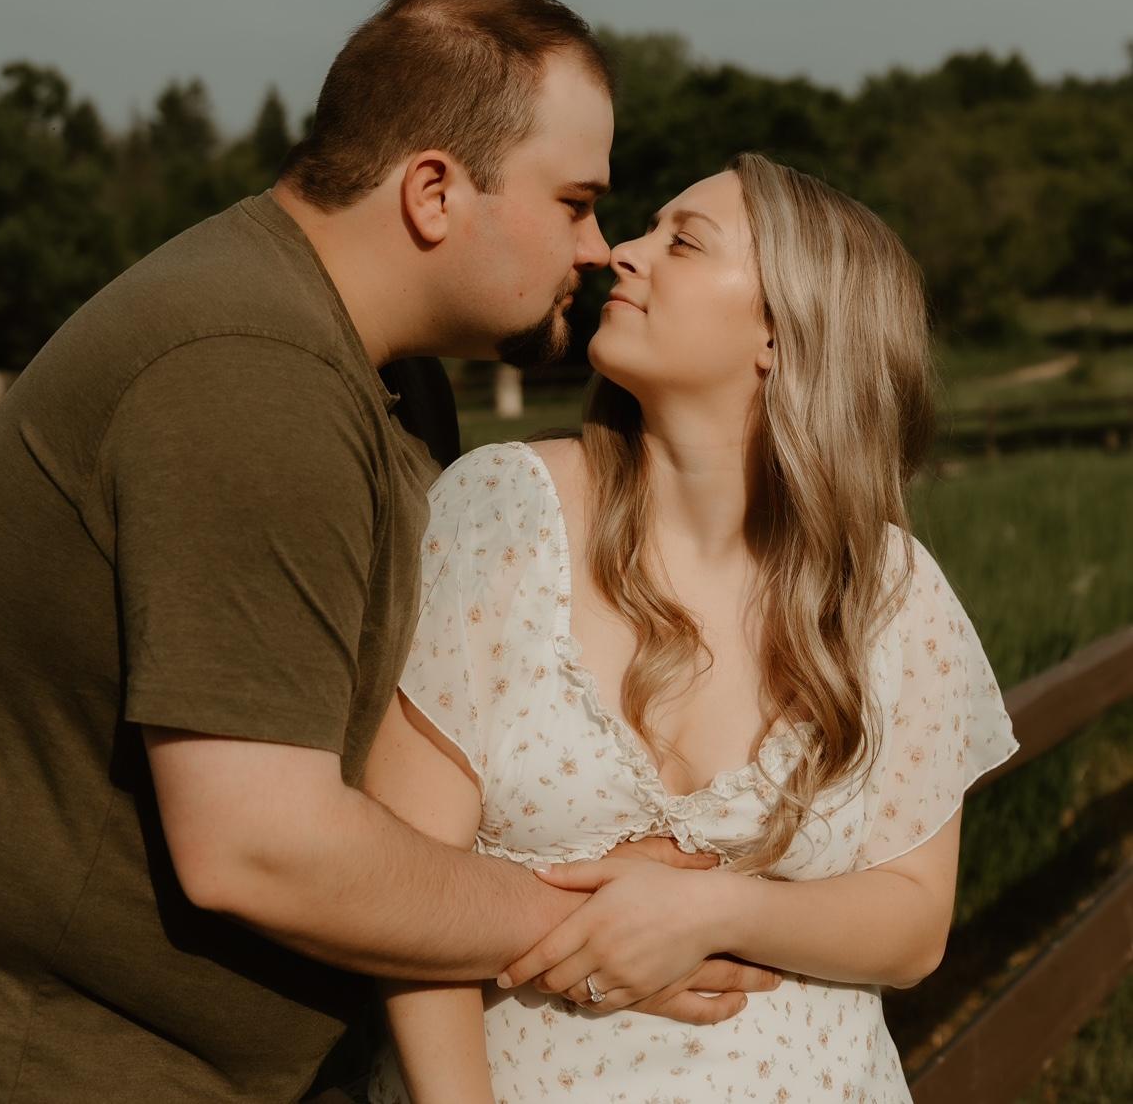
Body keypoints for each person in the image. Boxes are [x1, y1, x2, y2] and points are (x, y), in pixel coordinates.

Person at [0, 0, 776, 1104]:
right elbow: (258, 844)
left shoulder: (387, 374)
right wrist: (595, 922)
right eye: (572, 201)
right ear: (432, 191)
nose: (596, 247)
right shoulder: (248, 381)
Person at [363, 153, 1019, 1102]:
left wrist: (711, 909)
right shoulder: (503, 513)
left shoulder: (888, 588)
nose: (622, 253)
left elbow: (914, 923)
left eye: (685, 242)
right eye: (647, 229)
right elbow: (404, 884)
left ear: (781, 333)